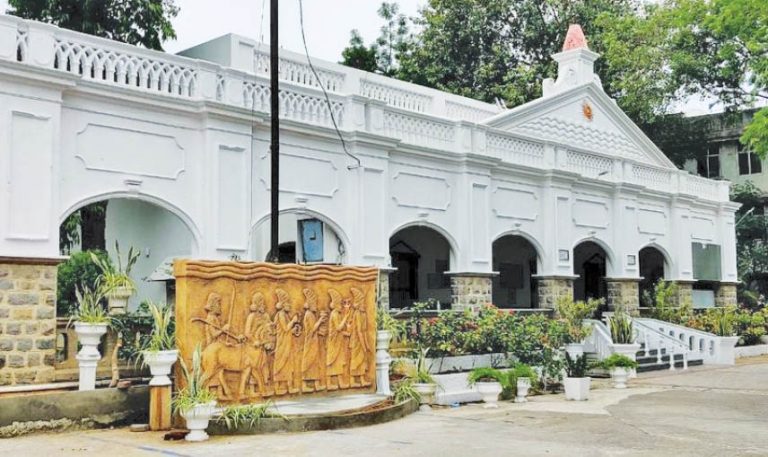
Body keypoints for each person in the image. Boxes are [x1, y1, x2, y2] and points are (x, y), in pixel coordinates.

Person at [273, 289, 300, 395]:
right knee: (280, 364)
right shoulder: (280, 314)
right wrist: (293, 321)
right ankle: (276, 388)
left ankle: (289, 387)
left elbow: (288, 330)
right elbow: (285, 328)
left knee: (288, 365)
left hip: (287, 342)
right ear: (283, 305)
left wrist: (294, 330)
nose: (289, 305)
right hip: (282, 343)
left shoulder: (284, 315)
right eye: (288, 303)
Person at [300, 289, 327, 392]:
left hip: (313, 341)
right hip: (310, 341)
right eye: (314, 303)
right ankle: (304, 385)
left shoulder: (310, 314)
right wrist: (320, 320)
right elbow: (312, 329)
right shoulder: (309, 314)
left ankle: (316, 384)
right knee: (308, 361)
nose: (316, 305)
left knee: (315, 362)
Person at [326, 289, 351, 390]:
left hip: (338, 342)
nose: (342, 306)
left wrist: (347, 333)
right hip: (334, 342)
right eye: (340, 304)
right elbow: (338, 328)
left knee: (339, 362)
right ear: (336, 305)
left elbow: (340, 331)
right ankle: (328, 383)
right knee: (332, 361)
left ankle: (340, 383)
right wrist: (346, 316)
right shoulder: (334, 314)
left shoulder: (337, 314)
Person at [348, 288, 371, 387]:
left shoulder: (363, 314)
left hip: (361, 340)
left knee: (362, 359)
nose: (364, 304)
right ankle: (352, 380)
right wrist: (363, 344)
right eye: (362, 302)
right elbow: (359, 331)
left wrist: (367, 344)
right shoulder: (357, 313)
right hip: (356, 340)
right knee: (355, 359)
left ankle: (362, 379)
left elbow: (364, 331)